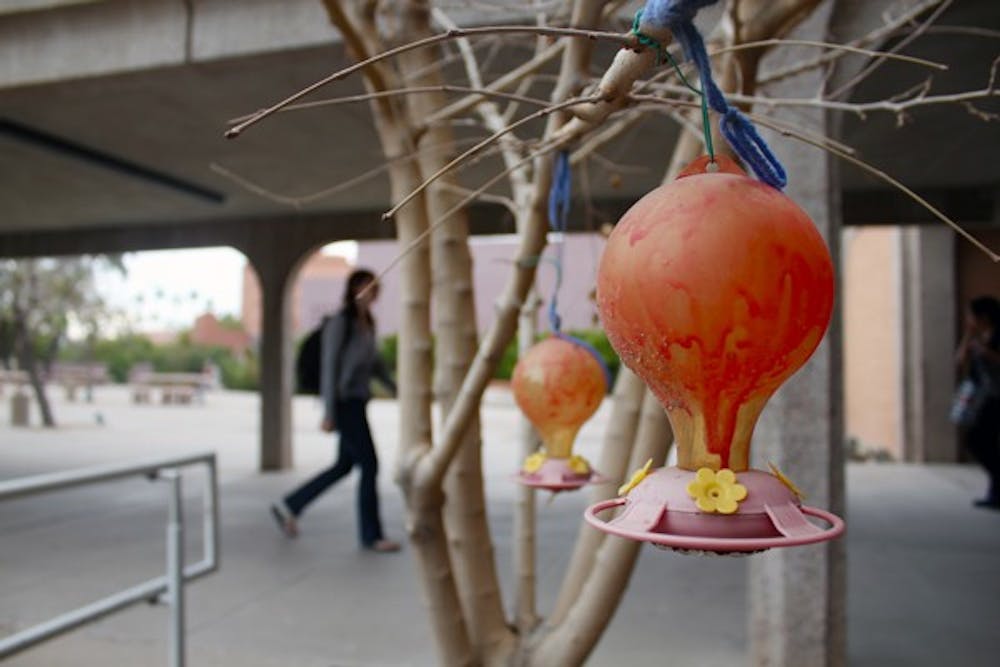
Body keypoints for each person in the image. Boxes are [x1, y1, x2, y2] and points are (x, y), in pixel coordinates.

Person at [271, 269, 401, 551]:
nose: (371, 292)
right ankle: (372, 535)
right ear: (354, 289)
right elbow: (330, 368)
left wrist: (395, 387)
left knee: (344, 466)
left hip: (358, 402)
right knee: (370, 465)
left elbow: (375, 364)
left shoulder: (368, 324)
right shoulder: (340, 323)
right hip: (344, 404)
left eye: (374, 287)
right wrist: (328, 412)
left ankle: (289, 505)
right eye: (365, 287)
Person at [955, 295, 1000, 510]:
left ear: (983, 316)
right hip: (983, 397)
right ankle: (995, 490)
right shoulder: (977, 337)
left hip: (995, 397)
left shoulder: (996, 336)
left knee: (982, 441)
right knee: (981, 442)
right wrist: (969, 336)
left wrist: (986, 352)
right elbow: (960, 361)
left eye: (971, 315)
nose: (968, 319)